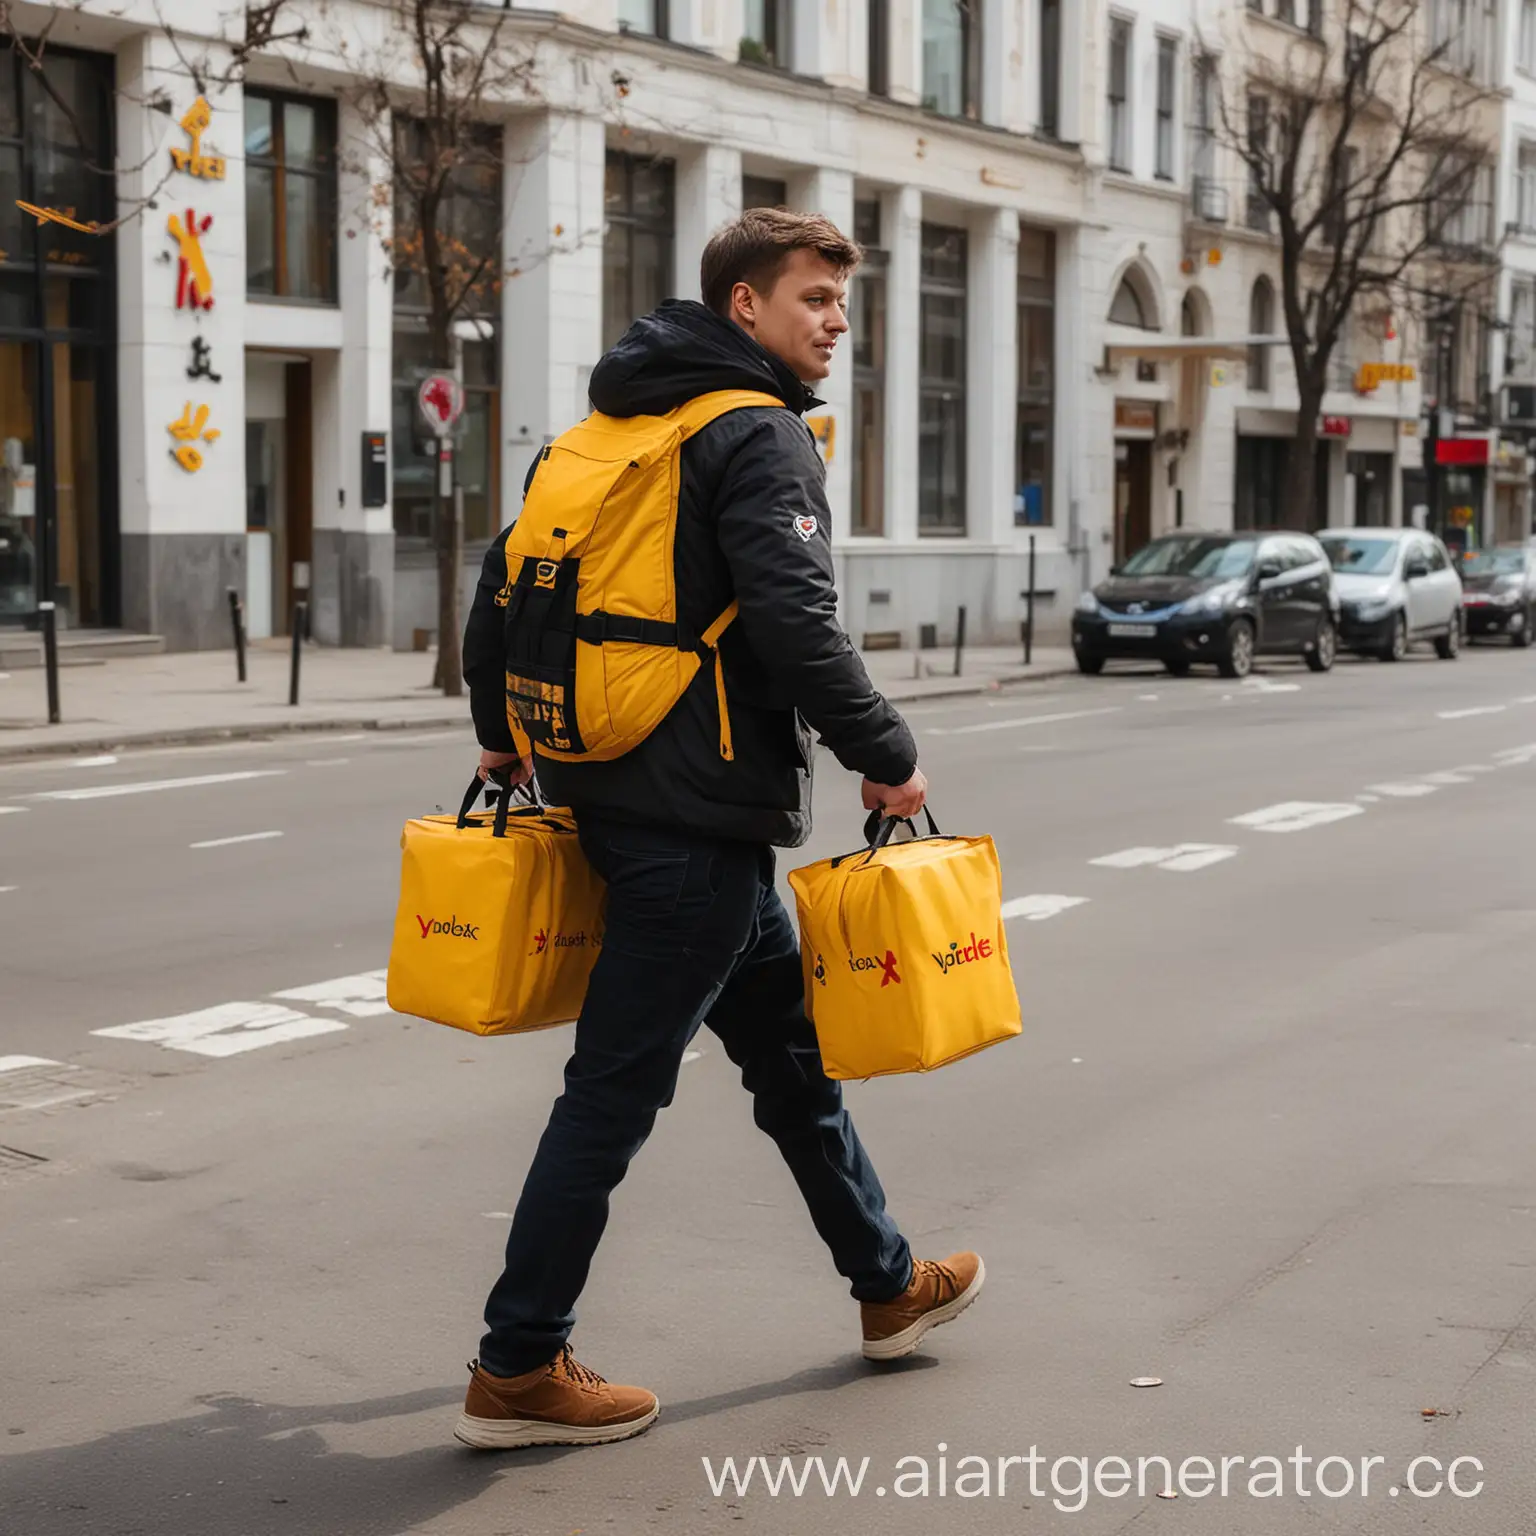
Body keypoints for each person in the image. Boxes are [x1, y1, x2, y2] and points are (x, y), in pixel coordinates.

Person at [457, 208, 982, 1451]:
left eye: (842, 303)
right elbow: (799, 626)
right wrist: (889, 758)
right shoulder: (754, 435)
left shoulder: (600, 433)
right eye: (814, 299)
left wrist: (500, 729)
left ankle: (888, 1282)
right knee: (610, 1096)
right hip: (692, 823)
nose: (835, 322)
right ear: (744, 308)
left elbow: (503, 592)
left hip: (638, 802)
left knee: (796, 1071)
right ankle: (518, 1365)